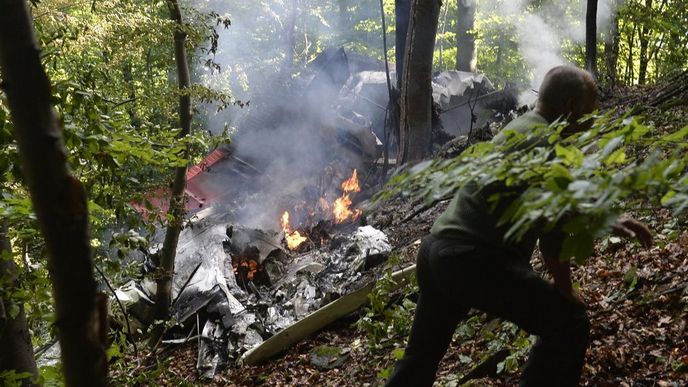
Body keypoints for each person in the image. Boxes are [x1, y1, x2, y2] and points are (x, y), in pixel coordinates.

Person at [385, 66, 653, 387]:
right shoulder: (548, 145)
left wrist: (608, 219)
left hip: (436, 251)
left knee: (420, 358)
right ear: (571, 106)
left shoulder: (522, 127)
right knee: (568, 323)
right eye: (592, 105)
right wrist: (566, 291)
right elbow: (552, 238)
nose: (596, 113)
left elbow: (562, 205)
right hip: (473, 259)